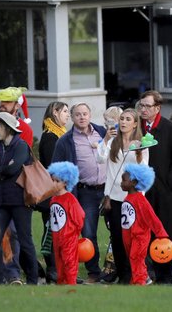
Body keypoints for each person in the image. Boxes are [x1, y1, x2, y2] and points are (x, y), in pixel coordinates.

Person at [51, 102, 106, 282]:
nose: (82, 117)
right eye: (77, 114)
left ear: (90, 115)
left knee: (118, 230)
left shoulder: (102, 133)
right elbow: (56, 170)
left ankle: (117, 269)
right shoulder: (65, 141)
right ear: (72, 118)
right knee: (88, 232)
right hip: (85, 191)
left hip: (108, 189)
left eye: (85, 114)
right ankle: (94, 271)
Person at [136, 91, 172, 284]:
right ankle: (145, 273)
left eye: (148, 106)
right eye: (141, 106)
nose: (143, 110)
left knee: (165, 232)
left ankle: (166, 273)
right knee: (141, 232)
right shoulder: (136, 127)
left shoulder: (170, 129)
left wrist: (168, 182)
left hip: (165, 192)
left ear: (157, 108)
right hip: (140, 191)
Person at [0, 111, 40, 284]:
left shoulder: (21, 145)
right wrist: (1, 170)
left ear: (8, 128)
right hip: (1, 200)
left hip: (20, 200)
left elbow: (13, 169)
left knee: (25, 240)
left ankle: (33, 279)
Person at [97, 107, 149, 284]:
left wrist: (139, 152)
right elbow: (100, 159)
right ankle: (123, 274)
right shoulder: (113, 142)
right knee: (117, 238)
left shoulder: (142, 144)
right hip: (114, 197)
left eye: (128, 119)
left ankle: (136, 273)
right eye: (122, 119)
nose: (124, 122)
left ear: (135, 124)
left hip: (133, 199)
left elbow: (144, 172)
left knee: (133, 239)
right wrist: (105, 138)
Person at [120, 163, 169, 286]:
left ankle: (140, 281)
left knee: (136, 257)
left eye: (124, 180)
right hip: (128, 235)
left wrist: (160, 233)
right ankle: (142, 278)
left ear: (134, 183)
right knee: (133, 258)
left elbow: (151, 217)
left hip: (140, 236)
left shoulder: (140, 199)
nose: (121, 183)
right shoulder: (128, 198)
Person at [38, 102, 69, 282]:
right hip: (52, 192)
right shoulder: (50, 137)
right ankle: (53, 269)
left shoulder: (61, 134)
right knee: (51, 230)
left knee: (62, 230)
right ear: (55, 113)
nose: (68, 115)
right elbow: (53, 166)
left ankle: (61, 268)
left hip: (61, 190)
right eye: (65, 111)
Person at [46, 161, 84, 285]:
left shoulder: (70, 199)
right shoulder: (53, 199)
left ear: (66, 182)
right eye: (52, 180)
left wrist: (73, 232)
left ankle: (71, 285)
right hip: (57, 238)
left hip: (69, 238)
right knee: (59, 263)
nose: (54, 183)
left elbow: (80, 217)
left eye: (57, 181)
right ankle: (61, 284)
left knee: (70, 262)